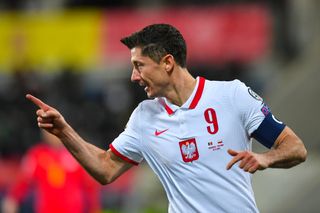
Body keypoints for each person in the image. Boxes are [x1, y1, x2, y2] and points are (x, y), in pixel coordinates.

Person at [25, 24, 307, 212]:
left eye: (139, 66)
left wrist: (265, 158)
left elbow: (295, 148)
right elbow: (105, 169)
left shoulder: (232, 95)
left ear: (167, 63)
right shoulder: (144, 117)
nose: (134, 76)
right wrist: (64, 132)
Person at [1, 130, 101, 213]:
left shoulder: (76, 154)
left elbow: (89, 186)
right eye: (47, 130)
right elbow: (23, 181)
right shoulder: (37, 155)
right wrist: (13, 199)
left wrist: (95, 208)